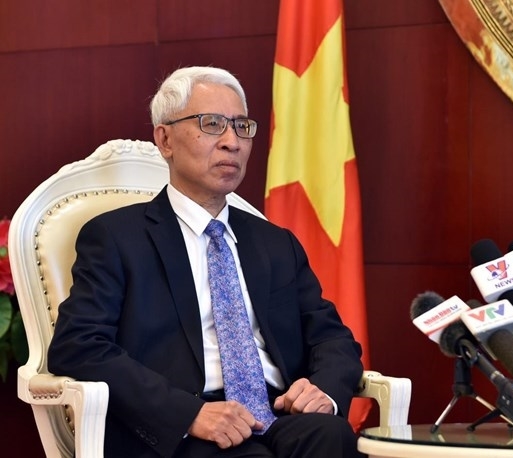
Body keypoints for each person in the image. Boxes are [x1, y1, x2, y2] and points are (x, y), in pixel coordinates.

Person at [47, 66, 365, 458]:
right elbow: (78, 345)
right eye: (212, 124)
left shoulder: (275, 242)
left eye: (242, 127)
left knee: (331, 436)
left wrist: (324, 393)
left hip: (278, 414)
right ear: (165, 139)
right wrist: (187, 414)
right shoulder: (116, 238)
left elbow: (332, 337)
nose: (232, 142)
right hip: (181, 430)